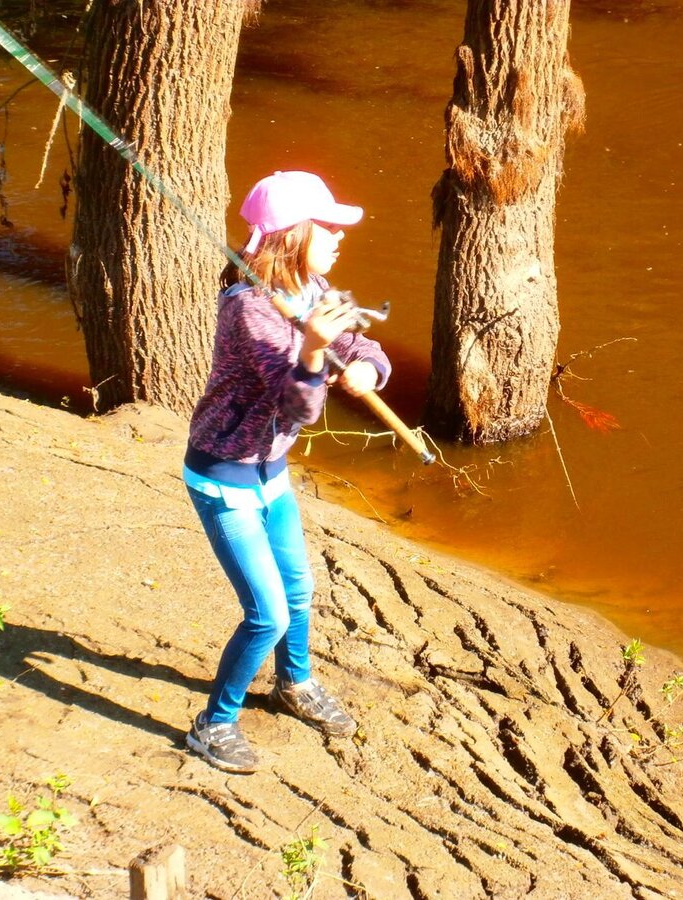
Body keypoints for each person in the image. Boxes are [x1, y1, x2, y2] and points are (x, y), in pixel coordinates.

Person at [183, 170, 392, 773]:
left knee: (299, 588)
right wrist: (311, 355)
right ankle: (213, 724)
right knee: (267, 613)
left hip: (269, 469)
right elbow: (298, 403)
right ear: (294, 234)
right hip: (224, 474)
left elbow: (362, 345)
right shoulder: (250, 309)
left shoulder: (312, 286)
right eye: (327, 227)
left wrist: (366, 370)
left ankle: (293, 685)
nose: (338, 237)